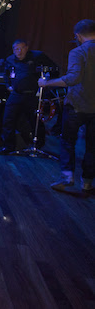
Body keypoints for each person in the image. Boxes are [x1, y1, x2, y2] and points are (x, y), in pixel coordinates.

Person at [38, 19, 95, 192]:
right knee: (92, 146)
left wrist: (46, 83)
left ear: (77, 35)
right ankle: (87, 183)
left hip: (77, 105)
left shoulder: (78, 52)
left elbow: (73, 78)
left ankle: (67, 178)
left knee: (68, 142)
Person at [0, 39, 58, 154]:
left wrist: (47, 82)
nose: (19, 51)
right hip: (16, 94)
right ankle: (8, 147)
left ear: (27, 48)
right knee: (8, 120)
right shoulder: (10, 59)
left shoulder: (37, 56)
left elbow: (54, 68)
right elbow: (6, 74)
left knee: (35, 120)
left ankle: (38, 145)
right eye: (16, 49)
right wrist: (8, 85)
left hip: (32, 95)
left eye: (21, 48)